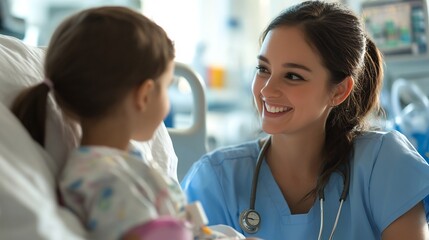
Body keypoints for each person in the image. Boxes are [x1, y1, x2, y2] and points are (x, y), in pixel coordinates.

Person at [181, 1, 429, 239]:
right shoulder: (216, 180)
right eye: (263, 69)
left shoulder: (383, 164)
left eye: (292, 76)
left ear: (338, 91)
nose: (267, 90)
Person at [10, 6, 246, 240]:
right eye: (166, 87)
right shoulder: (103, 179)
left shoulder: (118, 163)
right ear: (144, 95)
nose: (167, 102)